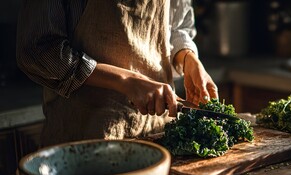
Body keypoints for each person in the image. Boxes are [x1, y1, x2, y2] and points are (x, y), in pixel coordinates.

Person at [16, 0, 218, 147]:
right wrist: (128, 80)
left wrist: (188, 59)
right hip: (82, 145)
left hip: (156, 136)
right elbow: (37, 50)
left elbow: (176, 26)